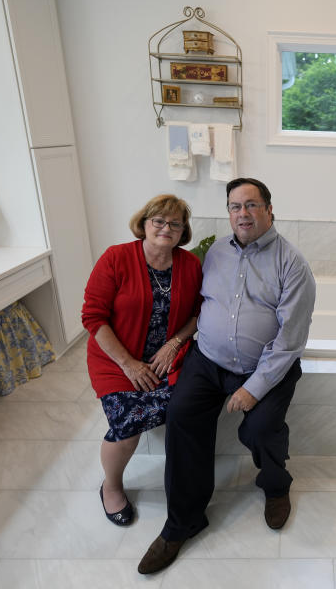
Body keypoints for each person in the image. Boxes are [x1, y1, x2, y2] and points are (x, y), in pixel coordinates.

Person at [138, 178, 315, 574]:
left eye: (252, 205)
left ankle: (275, 485)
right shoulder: (217, 251)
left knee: (260, 428)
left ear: (270, 211)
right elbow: (201, 306)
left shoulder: (292, 263)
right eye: (235, 206)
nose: (243, 213)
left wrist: (253, 389)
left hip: (265, 366)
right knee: (182, 417)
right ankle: (183, 522)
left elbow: (289, 343)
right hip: (209, 359)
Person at [82, 194, 202, 527]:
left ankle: (185, 481)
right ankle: (112, 485)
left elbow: (200, 312)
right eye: (159, 221)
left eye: (175, 223)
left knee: (192, 401)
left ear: (183, 232)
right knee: (129, 424)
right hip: (116, 360)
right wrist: (128, 364)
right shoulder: (116, 258)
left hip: (170, 360)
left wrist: (175, 343)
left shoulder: (190, 265)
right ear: (144, 224)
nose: (166, 228)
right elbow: (93, 317)